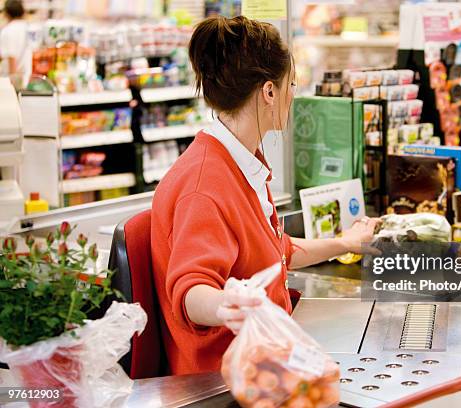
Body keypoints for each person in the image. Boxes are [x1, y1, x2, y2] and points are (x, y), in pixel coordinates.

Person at [151, 15, 379, 375]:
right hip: (230, 378)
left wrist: (344, 243)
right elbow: (192, 289)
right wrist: (226, 302)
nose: (293, 95)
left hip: (264, 357)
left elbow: (273, 252)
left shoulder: (240, 162)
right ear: (269, 91)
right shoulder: (203, 186)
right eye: (291, 84)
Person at [0, 0, 31, 89]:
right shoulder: (28, 28)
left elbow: (11, 57)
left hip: (11, 82)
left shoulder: (8, 31)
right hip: (25, 78)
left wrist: (13, 83)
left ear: (7, 13)